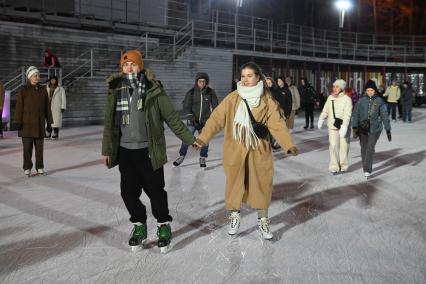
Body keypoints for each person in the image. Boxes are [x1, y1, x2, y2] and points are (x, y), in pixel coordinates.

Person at [101, 50, 195, 253]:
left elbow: (172, 119)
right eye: (125, 65)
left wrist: (191, 139)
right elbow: (110, 124)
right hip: (125, 151)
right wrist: (108, 149)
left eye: (133, 64)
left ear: (140, 66)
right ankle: (139, 225)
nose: (129, 68)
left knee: (155, 191)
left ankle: (163, 225)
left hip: (149, 150)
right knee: (128, 192)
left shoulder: (153, 89)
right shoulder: (116, 90)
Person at [194, 62, 298, 240]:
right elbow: (216, 119)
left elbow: (277, 125)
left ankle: (263, 220)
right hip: (235, 149)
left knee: (262, 185)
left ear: (258, 77)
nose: (246, 79)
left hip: (258, 151)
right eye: (243, 76)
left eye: (250, 75)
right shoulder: (233, 98)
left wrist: (288, 144)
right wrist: (203, 138)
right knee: (234, 184)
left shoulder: (267, 100)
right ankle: (234, 217)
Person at [173, 72, 218, 168]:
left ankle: (202, 157)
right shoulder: (191, 92)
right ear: (196, 82)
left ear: (206, 82)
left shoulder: (210, 92)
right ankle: (181, 156)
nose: (202, 83)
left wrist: (213, 119)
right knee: (186, 139)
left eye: (204, 81)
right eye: (200, 81)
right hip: (193, 121)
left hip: (205, 121)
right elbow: (186, 106)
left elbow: (215, 107)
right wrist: (192, 118)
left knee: (205, 140)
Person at [14, 66, 52, 176]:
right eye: (36, 75)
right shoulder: (23, 89)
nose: (38, 77)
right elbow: (19, 107)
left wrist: (49, 122)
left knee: (39, 149)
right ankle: (27, 167)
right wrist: (18, 121)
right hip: (26, 124)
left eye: (38, 75)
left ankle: (40, 166)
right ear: (30, 77)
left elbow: (47, 107)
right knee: (27, 149)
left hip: (39, 124)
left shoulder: (43, 89)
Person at [352, 80, 391, 178]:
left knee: (370, 148)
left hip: (375, 128)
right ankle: (366, 166)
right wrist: (355, 127)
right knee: (364, 148)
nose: (370, 92)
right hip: (362, 128)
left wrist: (388, 129)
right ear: (365, 91)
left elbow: (384, 115)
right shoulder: (361, 101)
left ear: (375, 90)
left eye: (371, 90)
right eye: (368, 90)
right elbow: (355, 114)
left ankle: (367, 170)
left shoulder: (379, 101)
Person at [318, 79, 353, 175]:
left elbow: (347, 115)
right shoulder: (330, 98)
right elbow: (325, 110)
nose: (334, 88)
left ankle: (343, 165)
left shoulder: (347, 99)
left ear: (341, 88)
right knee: (333, 146)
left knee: (344, 147)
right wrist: (321, 118)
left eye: (337, 86)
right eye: (334, 86)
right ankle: (334, 166)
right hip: (332, 126)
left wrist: (345, 126)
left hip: (343, 126)